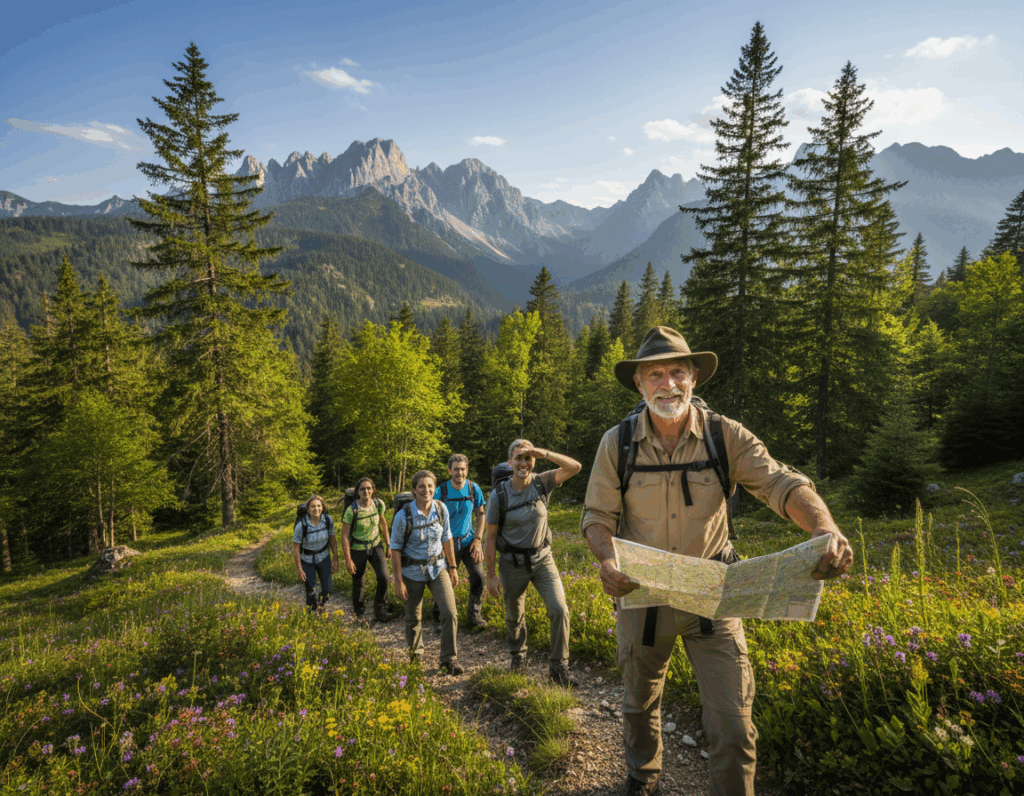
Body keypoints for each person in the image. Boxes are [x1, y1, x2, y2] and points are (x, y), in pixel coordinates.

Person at [581, 326, 854, 796]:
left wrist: (823, 528)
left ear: (693, 379)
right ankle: (641, 776)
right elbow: (596, 517)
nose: (668, 383)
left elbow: (781, 484)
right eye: (656, 375)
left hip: (715, 596)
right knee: (638, 703)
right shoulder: (617, 443)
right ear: (640, 385)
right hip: (641, 597)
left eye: (678, 372)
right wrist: (607, 560)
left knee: (733, 721)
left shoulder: (723, 436)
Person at [484, 439, 582, 686]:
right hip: (511, 562)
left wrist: (545, 453)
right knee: (514, 615)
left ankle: (559, 668)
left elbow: (575, 467)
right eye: (519, 458)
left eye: (528, 458)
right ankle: (518, 657)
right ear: (510, 462)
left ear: (534, 460)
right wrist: (490, 575)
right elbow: (490, 537)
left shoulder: (543, 481)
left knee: (559, 610)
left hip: (542, 560)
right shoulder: (499, 496)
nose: (523, 463)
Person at [390, 469, 464, 675]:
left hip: (438, 566)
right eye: (421, 486)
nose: (426, 490)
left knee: (450, 613)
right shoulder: (403, 516)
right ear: (414, 490)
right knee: (414, 616)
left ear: (435, 488)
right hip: (411, 570)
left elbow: (447, 537)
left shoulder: (441, 509)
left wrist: (453, 567)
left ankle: (448, 659)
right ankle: (416, 657)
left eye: (430, 486)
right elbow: (395, 549)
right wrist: (398, 581)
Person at [431, 454, 488, 629]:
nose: (459, 472)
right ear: (449, 470)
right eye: (456, 469)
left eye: (463, 469)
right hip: (446, 544)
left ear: (467, 470)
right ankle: (441, 616)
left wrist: (478, 540)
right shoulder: (441, 491)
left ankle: (474, 616)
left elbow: (480, 514)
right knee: (445, 582)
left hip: (468, 541)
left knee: (479, 577)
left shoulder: (473, 488)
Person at [340, 477, 393, 625]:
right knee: (359, 582)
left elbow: (382, 523)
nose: (366, 491)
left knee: (384, 577)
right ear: (358, 491)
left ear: (373, 489)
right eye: (362, 489)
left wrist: (388, 544)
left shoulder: (378, 504)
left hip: (376, 545)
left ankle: (381, 608)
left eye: (369, 488)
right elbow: (344, 536)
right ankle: (359, 613)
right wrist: (348, 559)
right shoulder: (352, 510)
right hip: (358, 548)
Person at [292, 494, 339, 613]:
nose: (316, 509)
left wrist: (335, 558)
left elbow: (332, 539)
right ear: (308, 509)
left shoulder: (328, 520)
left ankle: (321, 606)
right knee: (310, 590)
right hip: (307, 560)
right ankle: (311, 614)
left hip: (324, 558)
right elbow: (296, 547)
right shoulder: (301, 525)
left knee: (328, 589)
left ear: (322, 507)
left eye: (318, 506)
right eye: (313, 506)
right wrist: (299, 568)